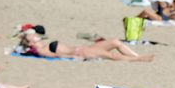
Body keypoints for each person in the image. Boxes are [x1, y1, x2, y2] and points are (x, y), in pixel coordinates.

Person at [17, 28, 153, 62]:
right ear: (31, 42)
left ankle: (138, 56)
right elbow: (55, 55)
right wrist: (74, 57)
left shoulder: (43, 44)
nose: (35, 35)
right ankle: (138, 59)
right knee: (110, 55)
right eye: (32, 36)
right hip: (81, 53)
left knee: (115, 42)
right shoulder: (41, 50)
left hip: (84, 48)